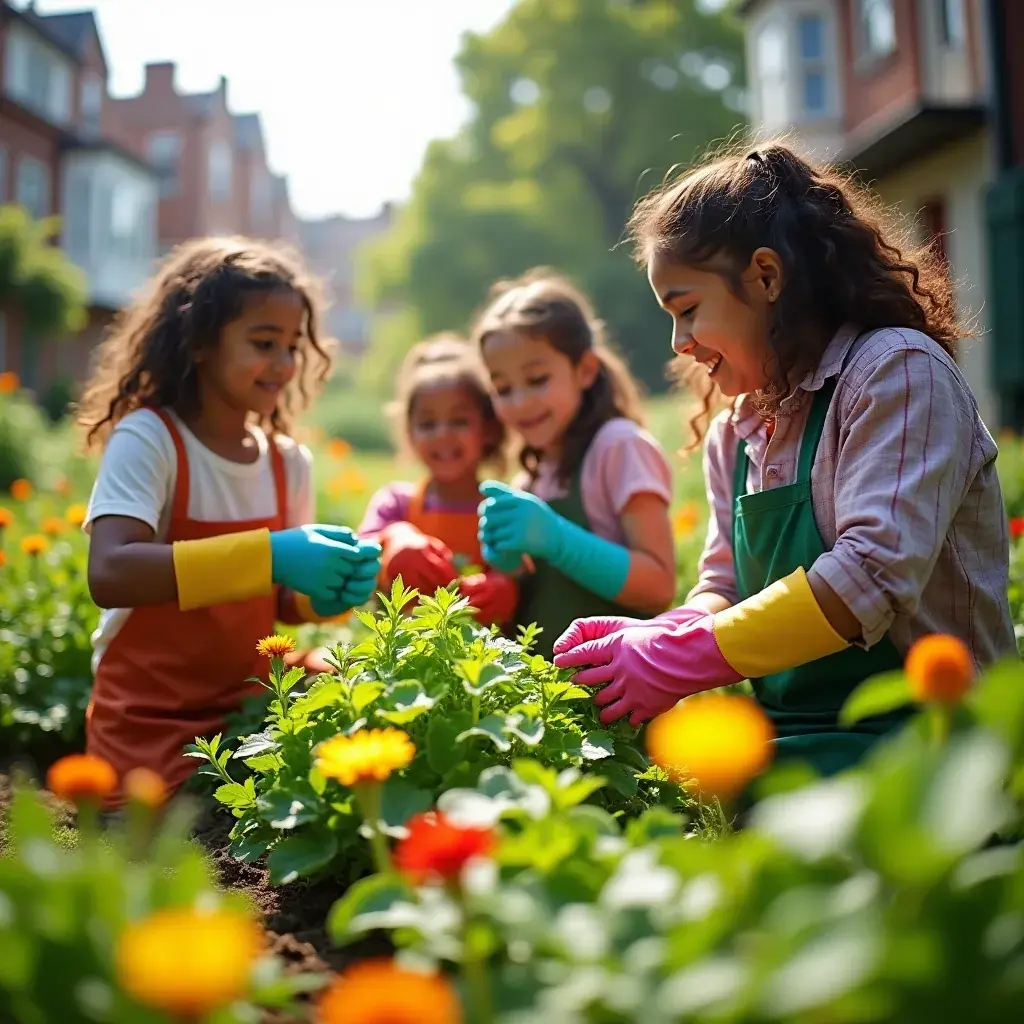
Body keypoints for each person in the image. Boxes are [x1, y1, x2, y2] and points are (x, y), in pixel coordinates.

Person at [553, 142, 1016, 776]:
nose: (679, 343)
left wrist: (679, 656)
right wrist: (660, 636)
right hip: (790, 750)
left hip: (943, 751)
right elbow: (725, 588)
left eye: (687, 309)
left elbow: (871, 578)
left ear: (766, 277)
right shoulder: (734, 434)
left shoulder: (896, 373)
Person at [77, 237, 381, 799]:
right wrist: (273, 554)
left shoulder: (288, 463)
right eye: (264, 343)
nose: (285, 364)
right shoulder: (150, 438)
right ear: (198, 344)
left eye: (294, 346)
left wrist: (328, 592)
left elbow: (282, 604)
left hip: (252, 716)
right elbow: (110, 572)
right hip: (148, 726)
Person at [474, 269, 676, 656]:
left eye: (536, 379)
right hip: (544, 703)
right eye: (502, 388)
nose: (519, 402)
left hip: (614, 699)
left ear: (584, 370)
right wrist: (506, 572)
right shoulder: (529, 478)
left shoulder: (619, 447)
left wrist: (557, 539)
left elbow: (659, 588)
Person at [358, 335, 517, 626]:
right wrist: (394, 541)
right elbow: (360, 557)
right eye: (427, 424)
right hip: (402, 658)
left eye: (459, 421)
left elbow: (521, 568)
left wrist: (504, 586)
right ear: (409, 432)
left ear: (489, 430)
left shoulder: (502, 509)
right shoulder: (397, 503)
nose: (443, 434)